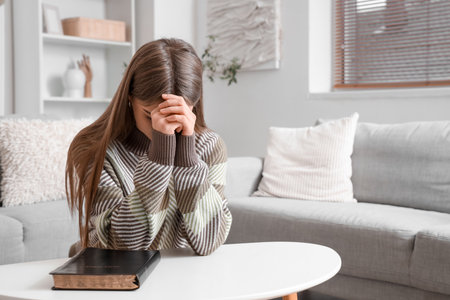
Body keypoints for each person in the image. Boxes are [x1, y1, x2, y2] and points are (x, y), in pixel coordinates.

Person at [66, 38, 232, 257]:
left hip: (180, 280)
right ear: (129, 98)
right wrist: (159, 159)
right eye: (149, 115)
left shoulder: (210, 146)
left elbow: (210, 242)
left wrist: (187, 159)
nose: (165, 128)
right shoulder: (94, 149)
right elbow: (123, 244)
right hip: (113, 279)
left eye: (178, 115)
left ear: (193, 107)